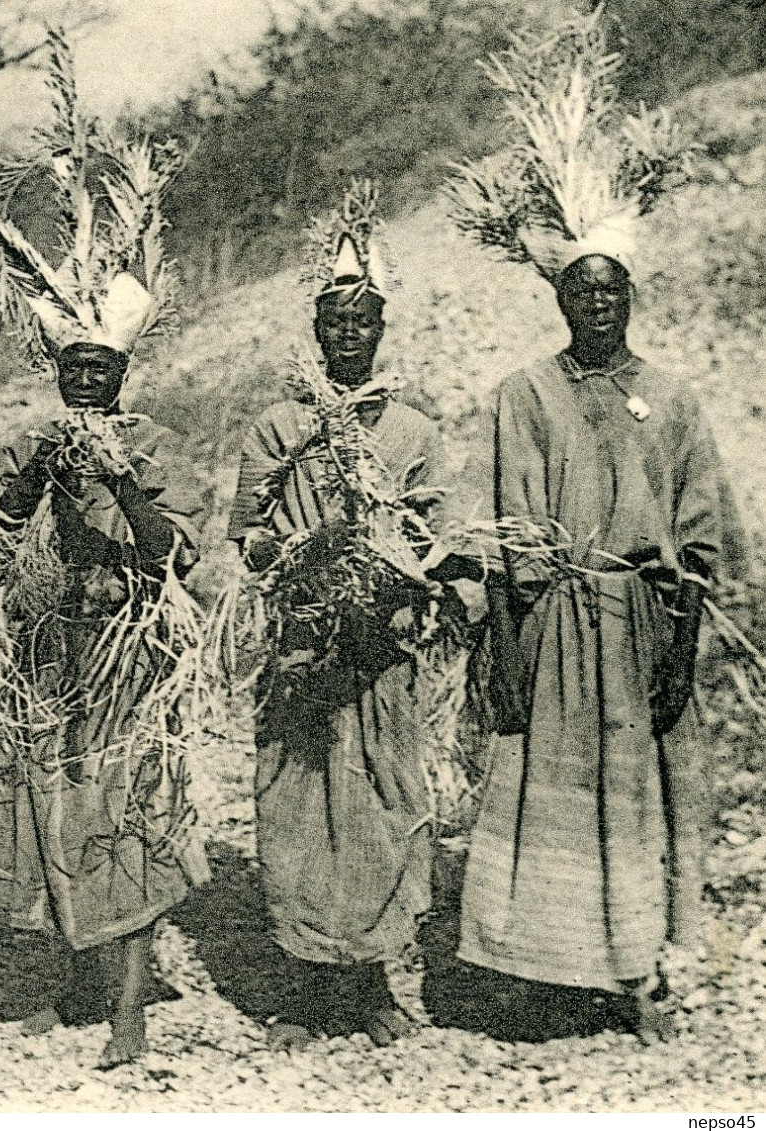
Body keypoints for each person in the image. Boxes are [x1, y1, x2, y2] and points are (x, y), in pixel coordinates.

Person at [446, 15, 741, 1041]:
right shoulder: (520, 395)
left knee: (640, 799)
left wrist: (681, 654)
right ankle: (537, 977)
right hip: (550, 624)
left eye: (612, 290)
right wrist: (502, 645)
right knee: (539, 793)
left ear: (632, 296)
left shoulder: (677, 398)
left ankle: (639, 981)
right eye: (581, 290)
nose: (598, 305)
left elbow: (699, 547)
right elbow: (495, 537)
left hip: (641, 629)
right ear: (561, 298)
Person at [0, 36, 209, 1068]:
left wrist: (115, 476)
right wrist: (42, 472)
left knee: (126, 819)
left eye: (103, 371)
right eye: (76, 373)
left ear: (121, 374)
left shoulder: (146, 444)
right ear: (60, 376)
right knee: (55, 817)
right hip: (47, 654)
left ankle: (132, 1006)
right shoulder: (34, 437)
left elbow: (174, 556)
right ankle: (74, 974)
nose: (89, 386)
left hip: (124, 659)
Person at [227, 183, 445, 1049]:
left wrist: (397, 575)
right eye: (335, 320)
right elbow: (244, 537)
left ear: (381, 329)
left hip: (379, 653)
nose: (349, 333)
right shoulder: (278, 428)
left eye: (363, 320)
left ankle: (373, 983)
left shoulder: (416, 431)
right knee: (296, 805)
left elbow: (432, 540)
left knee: (383, 801)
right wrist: (295, 563)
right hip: (302, 652)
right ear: (316, 328)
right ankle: (302, 988)